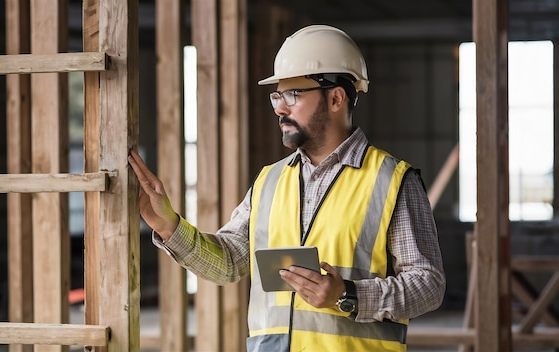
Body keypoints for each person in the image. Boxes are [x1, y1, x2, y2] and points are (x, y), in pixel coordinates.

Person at [128, 24, 445, 352]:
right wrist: (170, 227)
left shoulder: (391, 181)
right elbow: (229, 264)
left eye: (293, 94)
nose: (280, 108)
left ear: (336, 98)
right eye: (277, 95)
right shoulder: (269, 181)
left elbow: (429, 286)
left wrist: (348, 295)